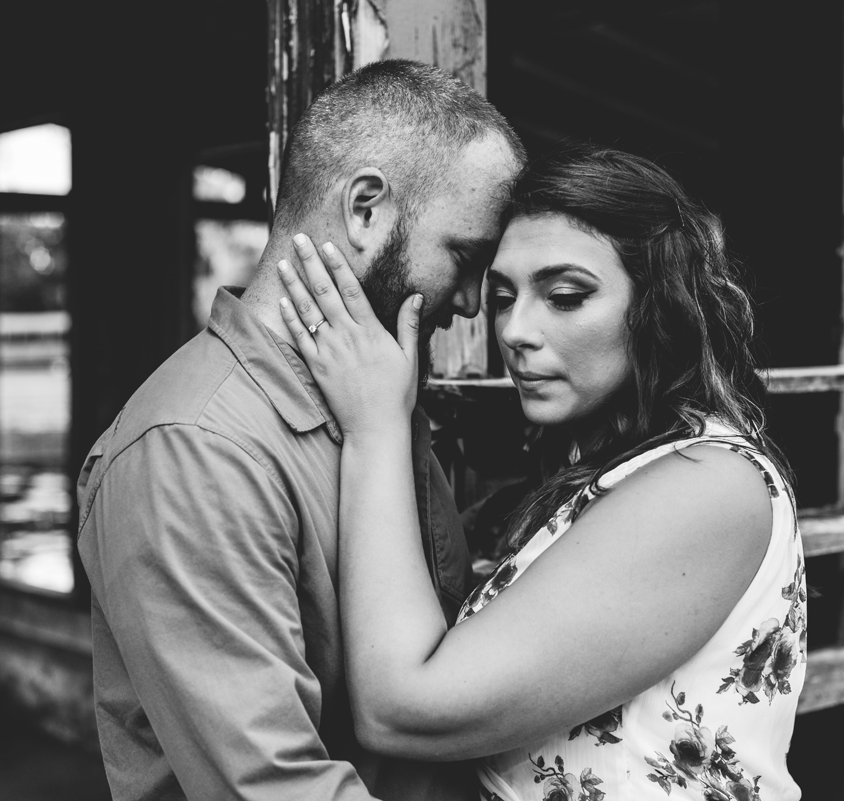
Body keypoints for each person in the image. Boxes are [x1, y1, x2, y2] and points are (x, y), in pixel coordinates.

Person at [277, 144, 807, 801]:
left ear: (658, 306)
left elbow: (402, 707)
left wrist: (376, 424)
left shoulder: (708, 484)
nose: (516, 330)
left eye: (564, 295)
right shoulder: (614, 472)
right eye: (502, 297)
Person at [75, 59, 524, 800]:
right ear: (366, 209)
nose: (473, 305)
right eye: (465, 257)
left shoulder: (379, 398)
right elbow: (277, 788)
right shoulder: (195, 449)